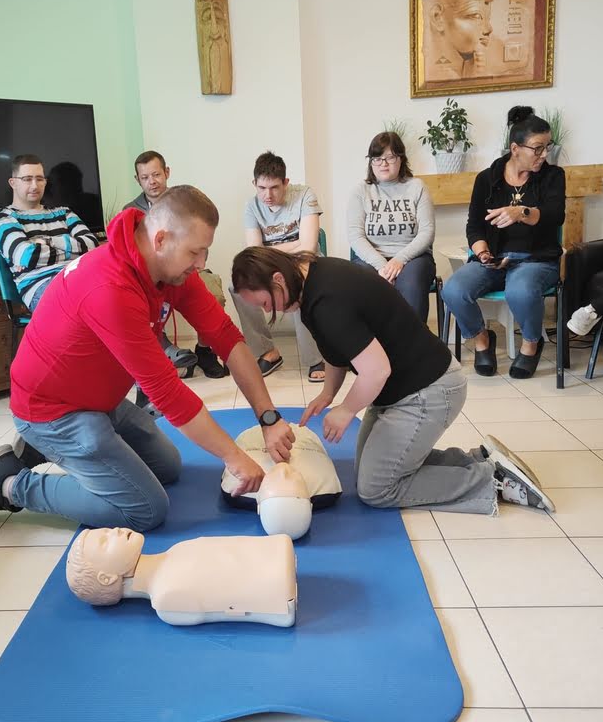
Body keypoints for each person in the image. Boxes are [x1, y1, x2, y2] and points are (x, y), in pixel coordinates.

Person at [0, 186, 296, 532]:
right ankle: (9, 484)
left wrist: (268, 418)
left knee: (168, 468)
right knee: (145, 509)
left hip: (99, 401)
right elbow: (167, 394)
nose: (201, 264)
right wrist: (234, 458)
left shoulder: (169, 269)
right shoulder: (110, 288)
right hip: (52, 412)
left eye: (204, 251)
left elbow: (225, 336)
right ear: (161, 240)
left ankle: (49, 451)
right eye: (195, 252)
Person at [231, 246, 556, 516]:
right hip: (403, 389)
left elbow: (376, 370)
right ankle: (477, 460)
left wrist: (346, 410)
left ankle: (492, 481)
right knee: (369, 470)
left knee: (376, 488)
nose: (270, 312)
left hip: (428, 391)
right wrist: (328, 394)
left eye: (265, 303)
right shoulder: (310, 279)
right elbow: (337, 349)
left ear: (277, 279)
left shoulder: (327, 301)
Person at [442, 107, 565, 380]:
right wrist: (482, 252)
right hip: (495, 259)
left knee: (519, 290)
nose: (544, 154)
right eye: (537, 148)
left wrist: (521, 212)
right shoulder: (487, 179)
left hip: (536, 260)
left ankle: (531, 344)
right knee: (453, 290)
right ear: (515, 148)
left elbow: (555, 216)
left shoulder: (553, 176)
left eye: (547, 146)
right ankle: (482, 340)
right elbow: (475, 226)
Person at [124, 150, 228, 379]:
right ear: (137, 180)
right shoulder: (130, 212)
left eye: (156, 174)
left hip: (188, 270)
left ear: (167, 172)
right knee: (142, 307)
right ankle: (165, 354)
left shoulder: (186, 202)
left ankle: (205, 351)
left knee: (214, 296)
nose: (152, 181)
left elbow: (201, 244)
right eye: (145, 177)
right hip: (149, 279)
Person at [66, 527, 297, 627]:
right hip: (277, 586)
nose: (115, 531)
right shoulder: (166, 598)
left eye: (106, 530)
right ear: (106, 578)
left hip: (277, 557)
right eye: (105, 541)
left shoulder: (176, 551)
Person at [230, 151, 325, 383]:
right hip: (270, 266)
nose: (268, 195)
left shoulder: (305, 195)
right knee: (237, 287)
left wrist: (269, 250)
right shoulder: (252, 206)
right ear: (254, 184)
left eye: (274, 187)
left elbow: (309, 247)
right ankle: (268, 352)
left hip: (303, 261)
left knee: (299, 282)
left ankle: (314, 358)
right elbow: (254, 253)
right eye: (262, 188)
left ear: (285, 182)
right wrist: (294, 244)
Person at [347, 131, 436, 323]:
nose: (383, 164)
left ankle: (413, 340)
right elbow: (355, 236)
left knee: (411, 283)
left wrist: (399, 260)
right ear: (371, 162)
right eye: (377, 158)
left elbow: (427, 232)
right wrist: (382, 265)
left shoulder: (417, 187)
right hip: (371, 259)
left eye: (390, 157)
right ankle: (376, 341)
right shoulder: (360, 191)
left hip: (413, 258)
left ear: (401, 159)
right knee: (365, 283)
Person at [0, 154, 98, 312]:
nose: (35, 186)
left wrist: (49, 242)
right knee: (91, 302)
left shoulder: (64, 213)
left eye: (39, 179)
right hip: (42, 287)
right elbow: (27, 257)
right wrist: (74, 252)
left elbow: (92, 246)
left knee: (115, 292)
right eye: (27, 179)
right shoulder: (3, 218)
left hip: (79, 279)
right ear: (13, 183)